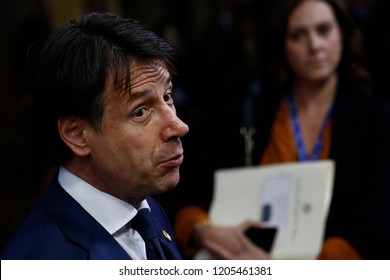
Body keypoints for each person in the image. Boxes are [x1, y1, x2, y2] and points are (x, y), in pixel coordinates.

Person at [173, 0, 390, 260]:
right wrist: (202, 231)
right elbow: (191, 191)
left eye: (324, 30)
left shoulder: (374, 117)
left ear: (342, 34)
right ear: (282, 45)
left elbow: (379, 216)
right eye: (298, 34)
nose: (314, 46)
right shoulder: (247, 114)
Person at [1, 12, 189, 260]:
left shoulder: (142, 205)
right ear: (77, 135)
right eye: (140, 112)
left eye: (167, 97)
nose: (178, 126)